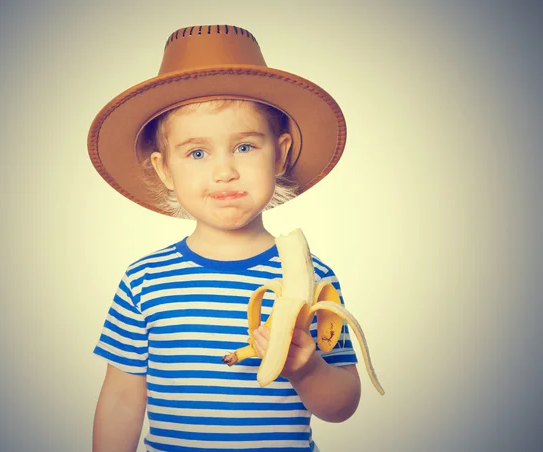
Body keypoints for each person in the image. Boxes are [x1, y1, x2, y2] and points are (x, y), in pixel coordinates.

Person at [89, 24, 361, 452]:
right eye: (197, 153)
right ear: (164, 170)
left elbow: (343, 403)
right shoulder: (144, 280)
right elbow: (122, 399)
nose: (224, 171)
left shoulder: (313, 282)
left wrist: (307, 371)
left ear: (281, 152)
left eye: (245, 147)